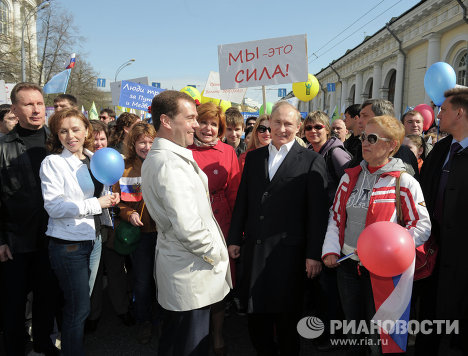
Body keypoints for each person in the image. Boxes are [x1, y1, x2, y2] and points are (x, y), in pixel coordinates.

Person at [322, 115, 431, 355]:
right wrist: (330, 250)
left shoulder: (405, 181)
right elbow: (336, 217)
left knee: (380, 336)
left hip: (384, 273)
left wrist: (391, 248)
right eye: (363, 137)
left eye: (372, 138)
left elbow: (422, 226)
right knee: (352, 331)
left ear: (392, 145)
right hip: (347, 266)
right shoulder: (348, 177)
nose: (364, 143)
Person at [228, 101, 329, 356]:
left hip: (289, 256)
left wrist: (313, 254)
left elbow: (317, 214)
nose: (282, 128)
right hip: (255, 250)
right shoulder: (253, 158)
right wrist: (234, 239)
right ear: (268, 123)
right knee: (256, 321)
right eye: (277, 122)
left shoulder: (311, 161)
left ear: (298, 127)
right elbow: (243, 201)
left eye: (288, 123)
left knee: (286, 323)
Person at [141, 90, 231, 356]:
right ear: (167, 121)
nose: (196, 124)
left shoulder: (170, 156)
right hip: (192, 272)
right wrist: (215, 255)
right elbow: (188, 227)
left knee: (176, 342)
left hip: (186, 270)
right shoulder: (170, 163)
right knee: (190, 345)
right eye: (190, 118)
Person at [40, 108, 119, 356]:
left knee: (80, 304)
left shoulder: (94, 158)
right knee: (78, 308)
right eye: (63, 131)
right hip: (68, 245)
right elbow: (54, 207)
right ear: (57, 135)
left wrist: (109, 198)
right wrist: (97, 204)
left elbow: (96, 194)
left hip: (93, 239)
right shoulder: (53, 162)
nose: (70, 136)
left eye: (75, 129)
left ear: (87, 131)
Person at [0, 83, 59, 356]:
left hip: (51, 236)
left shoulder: (56, 142)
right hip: (15, 239)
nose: (36, 110)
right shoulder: (2, 147)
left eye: (39, 103)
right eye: (28, 104)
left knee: (46, 297)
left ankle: (44, 344)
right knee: (13, 302)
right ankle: (14, 346)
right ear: (14, 109)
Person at [187, 102, 240, 355]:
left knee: (218, 283)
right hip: (190, 220)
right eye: (203, 122)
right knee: (195, 281)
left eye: (214, 124)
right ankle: (195, 337)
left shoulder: (227, 151)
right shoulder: (181, 149)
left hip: (221, 221)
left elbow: (234, 192)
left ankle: (217, 336)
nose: (208, 128)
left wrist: (236, 234)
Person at [418, 87, 468, 355]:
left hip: (463, 256)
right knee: (430, 313)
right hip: (434, 250)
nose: (438, 114)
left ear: (459, 113)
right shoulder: (440, 148)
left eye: (444, 110)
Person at [112, 122, 158, 344]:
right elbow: (117, 202)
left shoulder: (163, 164)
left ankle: (164, 319)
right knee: (141, 281)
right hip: (139, 236)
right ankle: (144, 322)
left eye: (151, 142)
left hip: (164, 234)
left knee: (164, 280)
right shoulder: (123, 168)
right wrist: (127, 213)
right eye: (142, 142)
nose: (146, 146)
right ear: (133, 143)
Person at [86, 120, 134, 333]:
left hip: (114, 224)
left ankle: (122, 309)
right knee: (94, 274)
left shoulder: (118, 161)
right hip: (92, 227)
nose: (98, 143)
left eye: (102, 138)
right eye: (94, 139)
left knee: (116, 270)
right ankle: (93, 314)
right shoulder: (82, 163)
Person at [348, 99, 420, 179]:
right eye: (360, 115)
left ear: (381, 118)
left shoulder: (401, 154)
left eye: (365, 116)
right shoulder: (361, 147)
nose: (359, 121)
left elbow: (404, 186)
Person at [305, 111, 352, 202]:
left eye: (318, 127)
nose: (313, 131)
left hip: (332, 211)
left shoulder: (336, 153)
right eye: (308, 128)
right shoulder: (307, 153)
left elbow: (350, 186)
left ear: (327, 130)